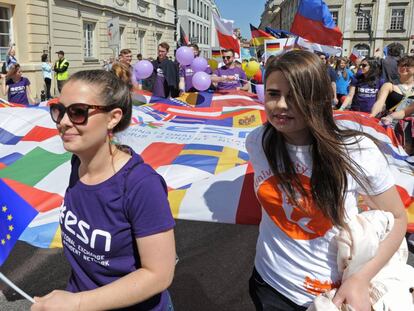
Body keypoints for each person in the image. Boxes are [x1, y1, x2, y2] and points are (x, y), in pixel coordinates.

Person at [246, 50, 407, 311]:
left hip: (331, 297)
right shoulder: (257, 141)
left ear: (317, 99)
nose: (281, 105)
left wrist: (358, 279)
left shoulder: (356, 151)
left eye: (295, 95)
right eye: (274, 94)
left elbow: (398, 219)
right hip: (267, 283)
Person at [31, 68, 176, 311]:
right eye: (59, 110)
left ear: (113, 118)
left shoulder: (141, 185)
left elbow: (159, 275)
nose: (64, 122)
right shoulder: (78, 162)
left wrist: (77, 303)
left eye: (78, 112)